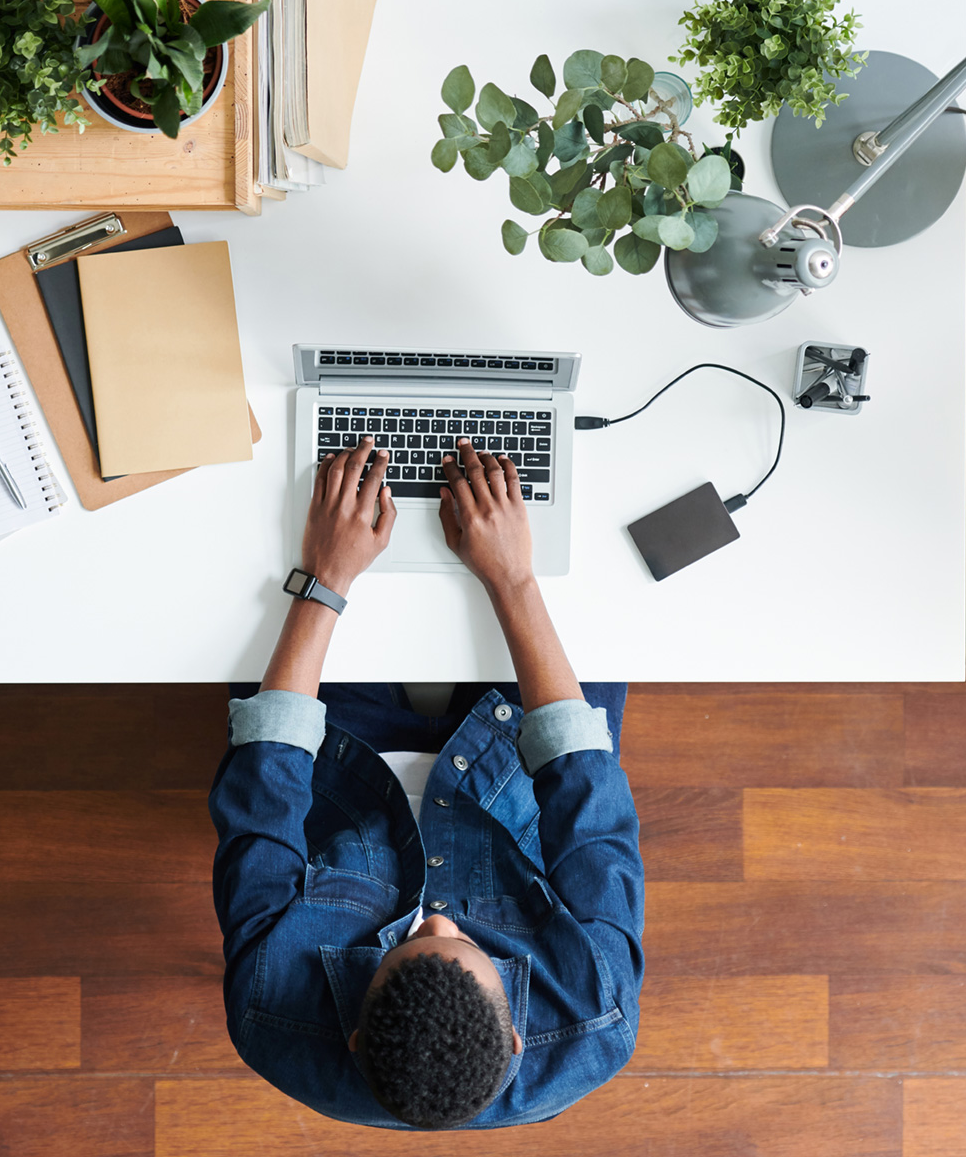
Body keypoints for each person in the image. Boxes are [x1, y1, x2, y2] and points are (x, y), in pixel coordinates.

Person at [209, 436, 644, 1130]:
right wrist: (511, 580)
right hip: (516, 770)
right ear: (516, 1039)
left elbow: (264, 781)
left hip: (346, 764)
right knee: (597, 560)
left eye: (407, 942)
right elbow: (587, 790)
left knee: (271, 534)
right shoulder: (596, 1010)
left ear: (352, 1032)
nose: (435, 915)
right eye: (469, 945)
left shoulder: (272, 1010)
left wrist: (327, 577)